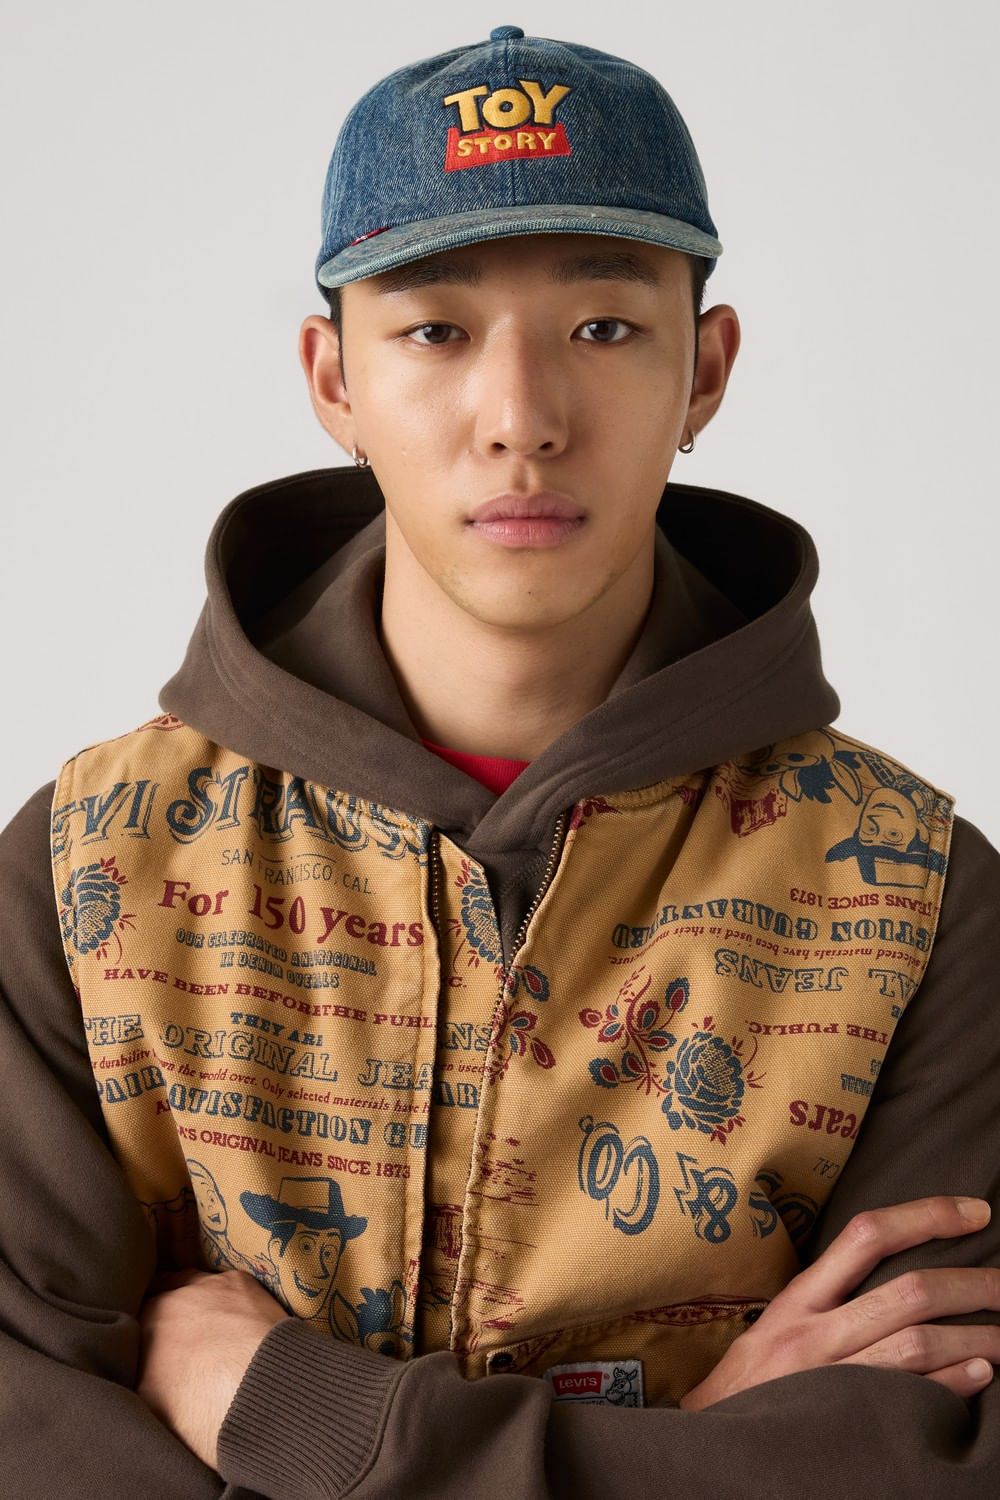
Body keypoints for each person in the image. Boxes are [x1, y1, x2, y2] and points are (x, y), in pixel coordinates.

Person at [2, 24, 1000, 1499]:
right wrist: (691, 1454)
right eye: (435, 331)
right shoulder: (89, 866)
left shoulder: (916, 902)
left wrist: (286, 1411)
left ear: (707, 368)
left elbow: (924, 1467)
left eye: (603, 327)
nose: (522, 420)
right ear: (333, 380)